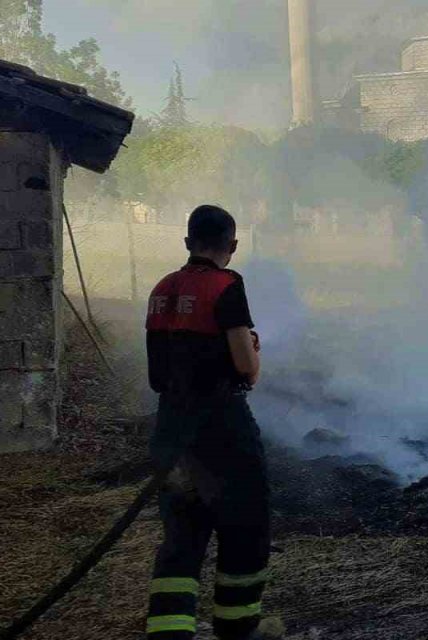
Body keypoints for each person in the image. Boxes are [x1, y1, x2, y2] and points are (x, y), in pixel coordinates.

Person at [143, 205, 277, 640]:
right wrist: (254, 357)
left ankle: (168, 632)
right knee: (245, 525)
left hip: (170, 429)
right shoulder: (226, 286)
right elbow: (245, 365)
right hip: (220, 428)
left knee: (182, 535)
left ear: (187, 243)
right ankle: (238, 629)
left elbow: (158, 372)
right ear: (232, 247)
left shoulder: (162, 288)